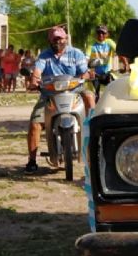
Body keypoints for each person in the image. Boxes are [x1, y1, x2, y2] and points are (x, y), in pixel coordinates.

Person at [25, 26, 95, 174]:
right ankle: (32, 161)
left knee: (89, 96)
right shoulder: (44, 56)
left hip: (74, 90)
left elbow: (84, 71)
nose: (58, 42)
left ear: (66, 39)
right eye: (55, 39)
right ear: (50, 40)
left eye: (60, 39)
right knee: (35, 124)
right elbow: (37, 71)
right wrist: (34, 80)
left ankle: (93, 126)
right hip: (49, 94)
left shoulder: (76, 53)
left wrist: (85, 76)